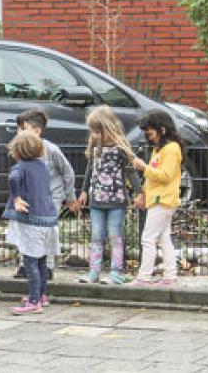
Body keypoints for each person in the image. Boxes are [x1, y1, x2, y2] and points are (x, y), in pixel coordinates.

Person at [13, 108, 77, 280]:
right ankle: (25, 265)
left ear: (37, 131)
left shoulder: (51, 149)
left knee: (47, 230)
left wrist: (70, 196)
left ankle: (47, 267)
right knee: (26, 229)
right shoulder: (22, 150)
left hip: (51, 197)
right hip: (30, 197)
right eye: (18, 128)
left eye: (23, 128)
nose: (19, 132)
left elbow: (68, 172)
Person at [77, 106, 137, 285]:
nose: (94, 135)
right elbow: (90, 169)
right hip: (96, 199)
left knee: (115, 235)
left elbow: (130, 171)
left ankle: (116, 272)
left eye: (97, 131)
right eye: (93, 132)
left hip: (116, 200)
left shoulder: (120, 148)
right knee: (96, 235)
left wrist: (139, 192)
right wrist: (84, 190)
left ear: (108, 127)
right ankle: (94, 271)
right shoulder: (96, 147)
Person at [2, 131, 58, 315]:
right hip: (48, 220)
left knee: (30, 260)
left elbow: (13, 179)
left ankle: (34, 301)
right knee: (42, 260)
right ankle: (41, 295)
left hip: (31, 221)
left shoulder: (20, 167)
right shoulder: (43, 166)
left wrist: (16, 198)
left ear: (17, 150)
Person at [131, 110, 182, 287]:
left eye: (150, 133)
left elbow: (165, 176)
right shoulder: (159, 149)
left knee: (148, 238)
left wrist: (144, 168)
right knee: (163, 239)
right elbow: (152, 178)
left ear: (162, 130)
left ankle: (144, 276)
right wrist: (143, 194)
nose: (148, 137)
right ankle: (170, 275)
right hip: (159, 199)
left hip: (163, 200)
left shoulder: (171, 149)